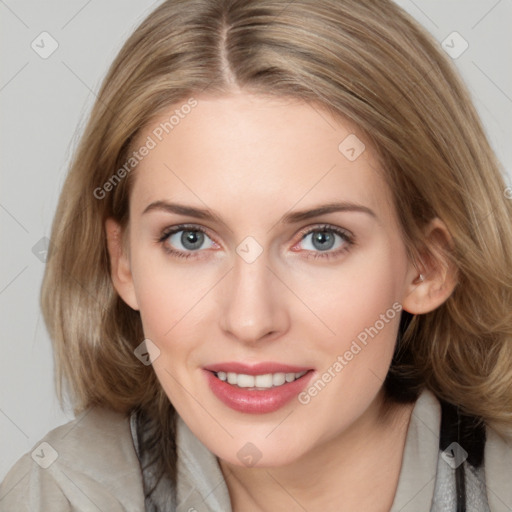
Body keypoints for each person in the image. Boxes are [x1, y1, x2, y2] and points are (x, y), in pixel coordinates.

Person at [1, 0, 511, 510]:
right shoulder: (60, 495)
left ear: (427, 265)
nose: (249, 320)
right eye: (190, 238)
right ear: (124, 262)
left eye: (321, 239)